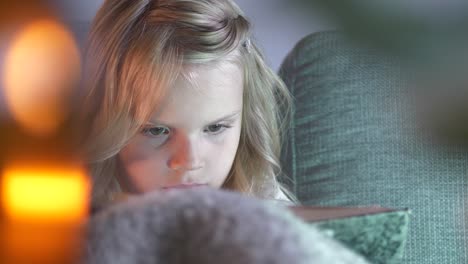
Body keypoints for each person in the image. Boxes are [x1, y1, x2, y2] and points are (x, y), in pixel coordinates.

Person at [79, 0, 295, 209]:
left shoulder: (267, 209)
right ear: (101, 120)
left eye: (215, 128)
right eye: (157, 130)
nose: (190, 161)